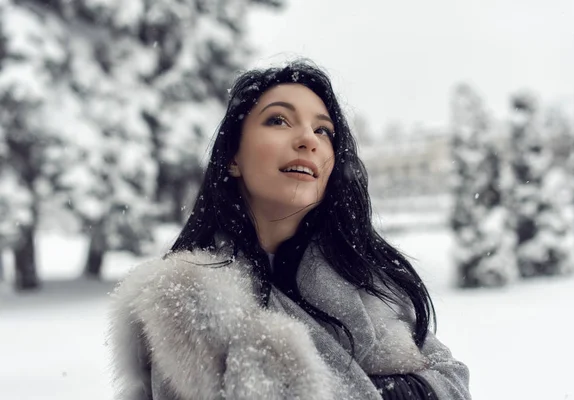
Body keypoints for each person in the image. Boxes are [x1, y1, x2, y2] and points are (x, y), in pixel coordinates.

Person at [108, 60, 471, 400]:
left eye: (323, 130)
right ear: (233, 157)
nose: (308, 140)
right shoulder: (184, 302)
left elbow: (452, 380)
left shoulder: (371, 282)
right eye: (279, 121)